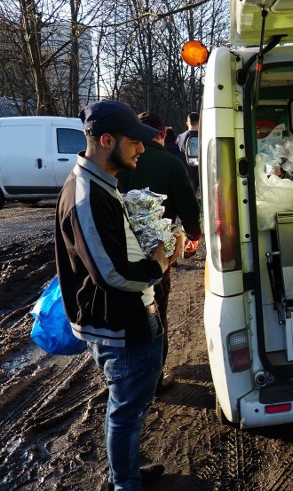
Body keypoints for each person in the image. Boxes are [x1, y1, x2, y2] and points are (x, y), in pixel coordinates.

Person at [55, 100, 185, 491]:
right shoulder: (86, 197)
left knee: (132, 407)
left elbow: (111, 253)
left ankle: (125, 473)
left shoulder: (100, 186)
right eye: (134, 143)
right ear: (107, 140)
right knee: (126, 412)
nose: (141, 149)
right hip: (120, 325)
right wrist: (160, 263)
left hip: (125, 317)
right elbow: (110, 274)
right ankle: (124, 484)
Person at [118, 112, 203, 393]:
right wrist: (194, 237)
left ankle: (122, 373)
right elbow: (190, 212)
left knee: (120, 313)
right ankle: (153, 378)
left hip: (116, 254)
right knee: (155, 311)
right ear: (163, 134)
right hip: (156, 257)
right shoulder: (170, 163)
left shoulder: (114, 163)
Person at [176, 112, 199, 191]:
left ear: (187, 123)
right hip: (198, 173)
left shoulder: (180, 137)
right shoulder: (202, 137)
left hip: (184, 172)